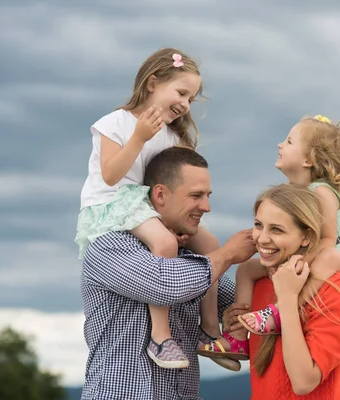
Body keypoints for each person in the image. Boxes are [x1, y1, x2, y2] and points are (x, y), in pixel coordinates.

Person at [75, 48, 223, 369]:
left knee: (210, 245)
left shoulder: (171, 136)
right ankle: (160, 334)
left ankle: (209, 329)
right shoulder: (116, 122)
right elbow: (111, 175)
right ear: (153, 83)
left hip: (147, 205)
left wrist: (177, 219)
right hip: (112, 202)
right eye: (181, 92)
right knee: (165, 243)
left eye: (191, 98)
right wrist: (139, 138)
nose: (185, 103)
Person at [198, 114, 340, 359]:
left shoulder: (322, 192)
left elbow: (328, 240)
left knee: (328, 258)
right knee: (246, 269)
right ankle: (237, 337)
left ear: (308, 160)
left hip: (332, 253)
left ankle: (279, 312)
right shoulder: (295, 192)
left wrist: (294, 267)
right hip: (309, 250)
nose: (280, 145)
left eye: (288, 142)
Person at [80, 146, 256, 400]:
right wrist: (227, 254)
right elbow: (166, 285)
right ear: (160, 195)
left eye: (208, 196)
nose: (206, 206)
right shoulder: (110, 246)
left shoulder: (189, 256)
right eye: (196, 195)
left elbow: (235, 299)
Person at [232, 184, 340, 399]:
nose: (261, 238)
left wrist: (288, 299)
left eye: (277, 229)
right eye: (258, 225)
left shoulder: (332, 289)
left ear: (306, 237)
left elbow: (303, 382)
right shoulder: (258, 282)